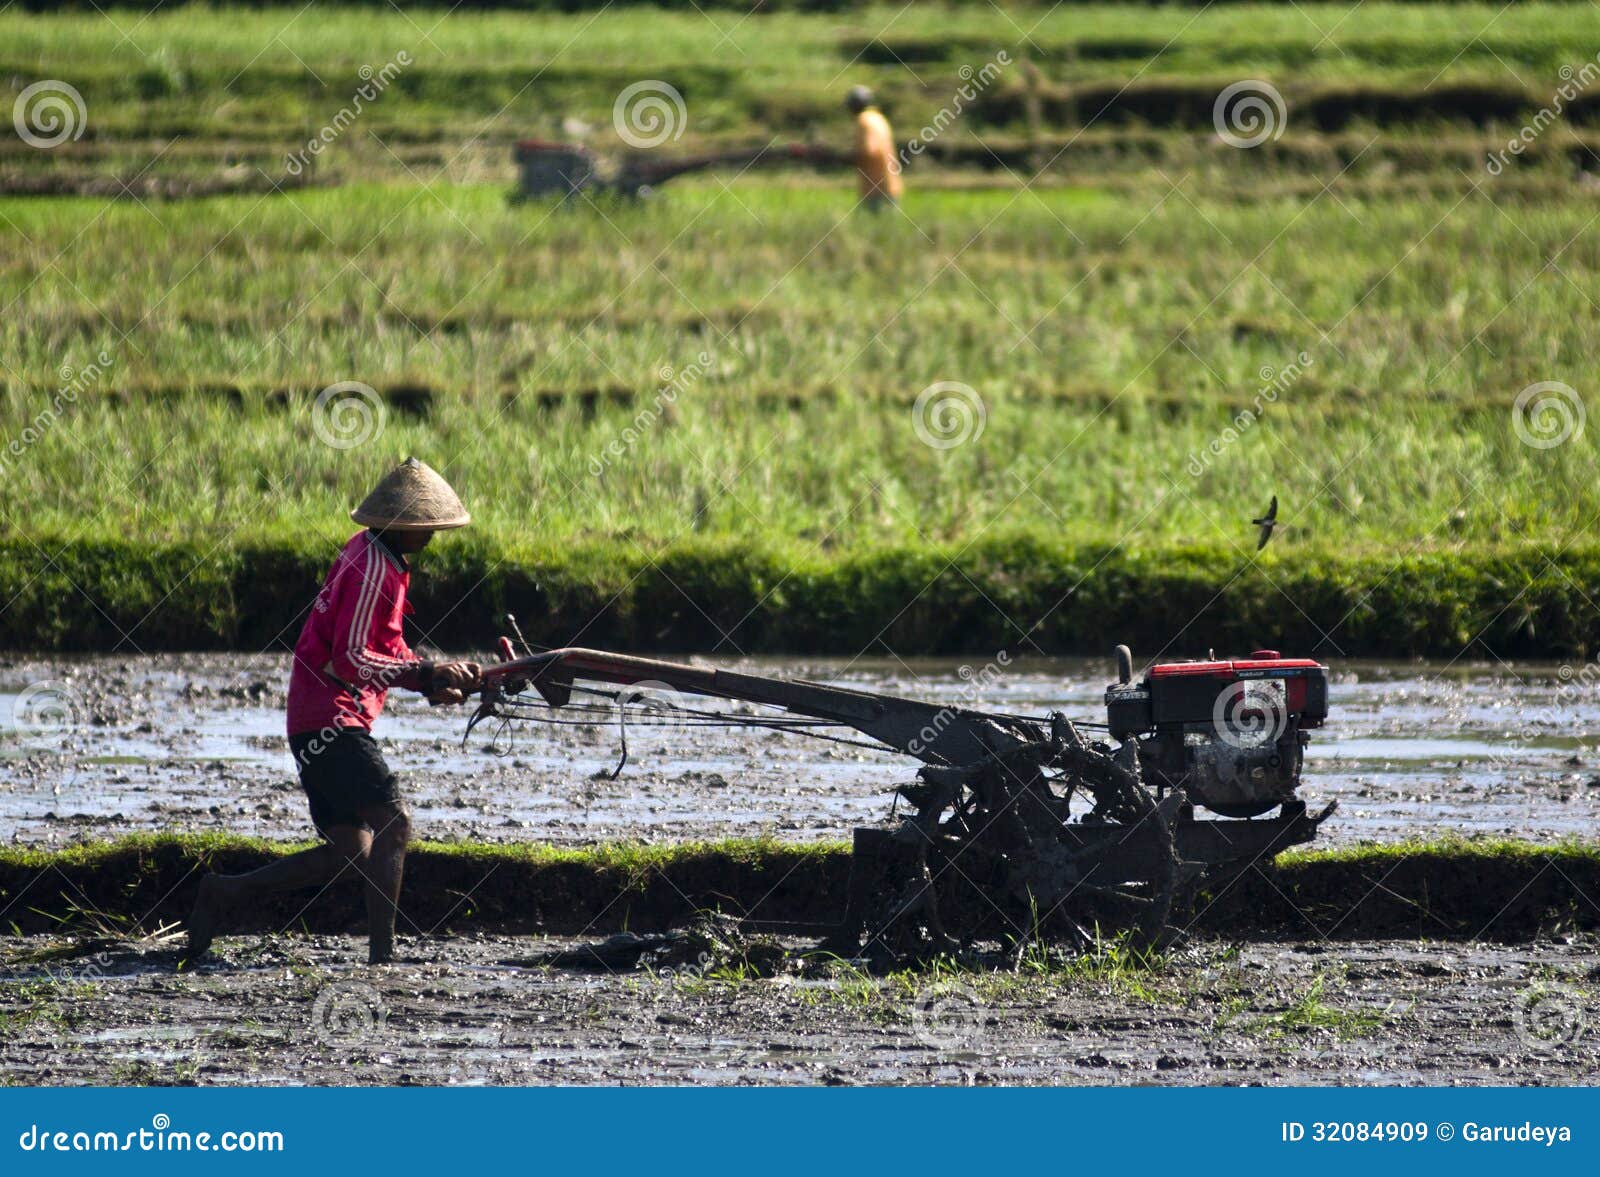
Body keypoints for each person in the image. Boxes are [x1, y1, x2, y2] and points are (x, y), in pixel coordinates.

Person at [186, 457, 482, 965]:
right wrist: (425, 674)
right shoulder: (372, 567)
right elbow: (348, 658)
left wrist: (432, 678)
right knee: (394, 822)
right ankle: (383, 958)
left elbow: (386, 650)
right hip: (332, 717)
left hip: (314, 719)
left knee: (352, 854)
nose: (431, 536)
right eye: (424, 527)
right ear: (401, 526)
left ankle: (223, 893)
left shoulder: (376, 558)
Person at [845, 85, 903, 208]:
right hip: (890, 185)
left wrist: (845, 159)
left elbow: (869, 151)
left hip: (875, 189)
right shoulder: (879, 118)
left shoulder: (864, 120)